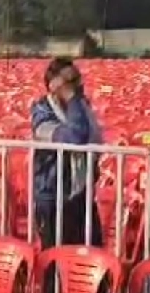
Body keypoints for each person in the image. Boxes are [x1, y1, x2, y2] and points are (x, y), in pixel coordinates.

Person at [31, 57, 104, 248]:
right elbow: (74, 138)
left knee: (91, 252)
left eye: (78, 79)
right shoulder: (41, 112)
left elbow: (95, 139)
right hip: (53, 197)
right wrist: (70, 96)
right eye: (70, 81)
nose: (78, 86)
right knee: (56, 258)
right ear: (54, 85)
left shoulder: (81, 106)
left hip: (81, 194)